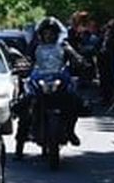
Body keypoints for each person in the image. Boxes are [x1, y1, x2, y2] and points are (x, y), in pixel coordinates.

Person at [15, 16, 84, 157]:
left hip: (59, 78)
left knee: (75, 100)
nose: (49, 35)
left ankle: (70, 131)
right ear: (41, 34)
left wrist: (78, 59)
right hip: (39, 78)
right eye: (46, 33)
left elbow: (76, 58)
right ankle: (20, 142)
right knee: (25, 103)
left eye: (52, 33)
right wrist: (22, 64)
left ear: (56, 34)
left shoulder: (64, 45)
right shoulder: (34, 46)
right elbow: (26, 59)